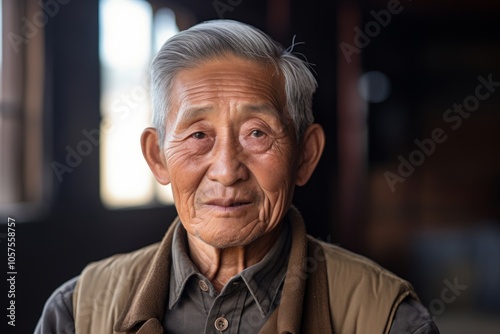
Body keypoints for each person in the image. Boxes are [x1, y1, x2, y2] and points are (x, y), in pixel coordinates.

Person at [35, 19, 439, 333]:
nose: (227, 171)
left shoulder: (387, 318)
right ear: (158, 158)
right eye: (198, 135)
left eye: (257, 134)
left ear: (305, 156)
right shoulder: (77, 313)